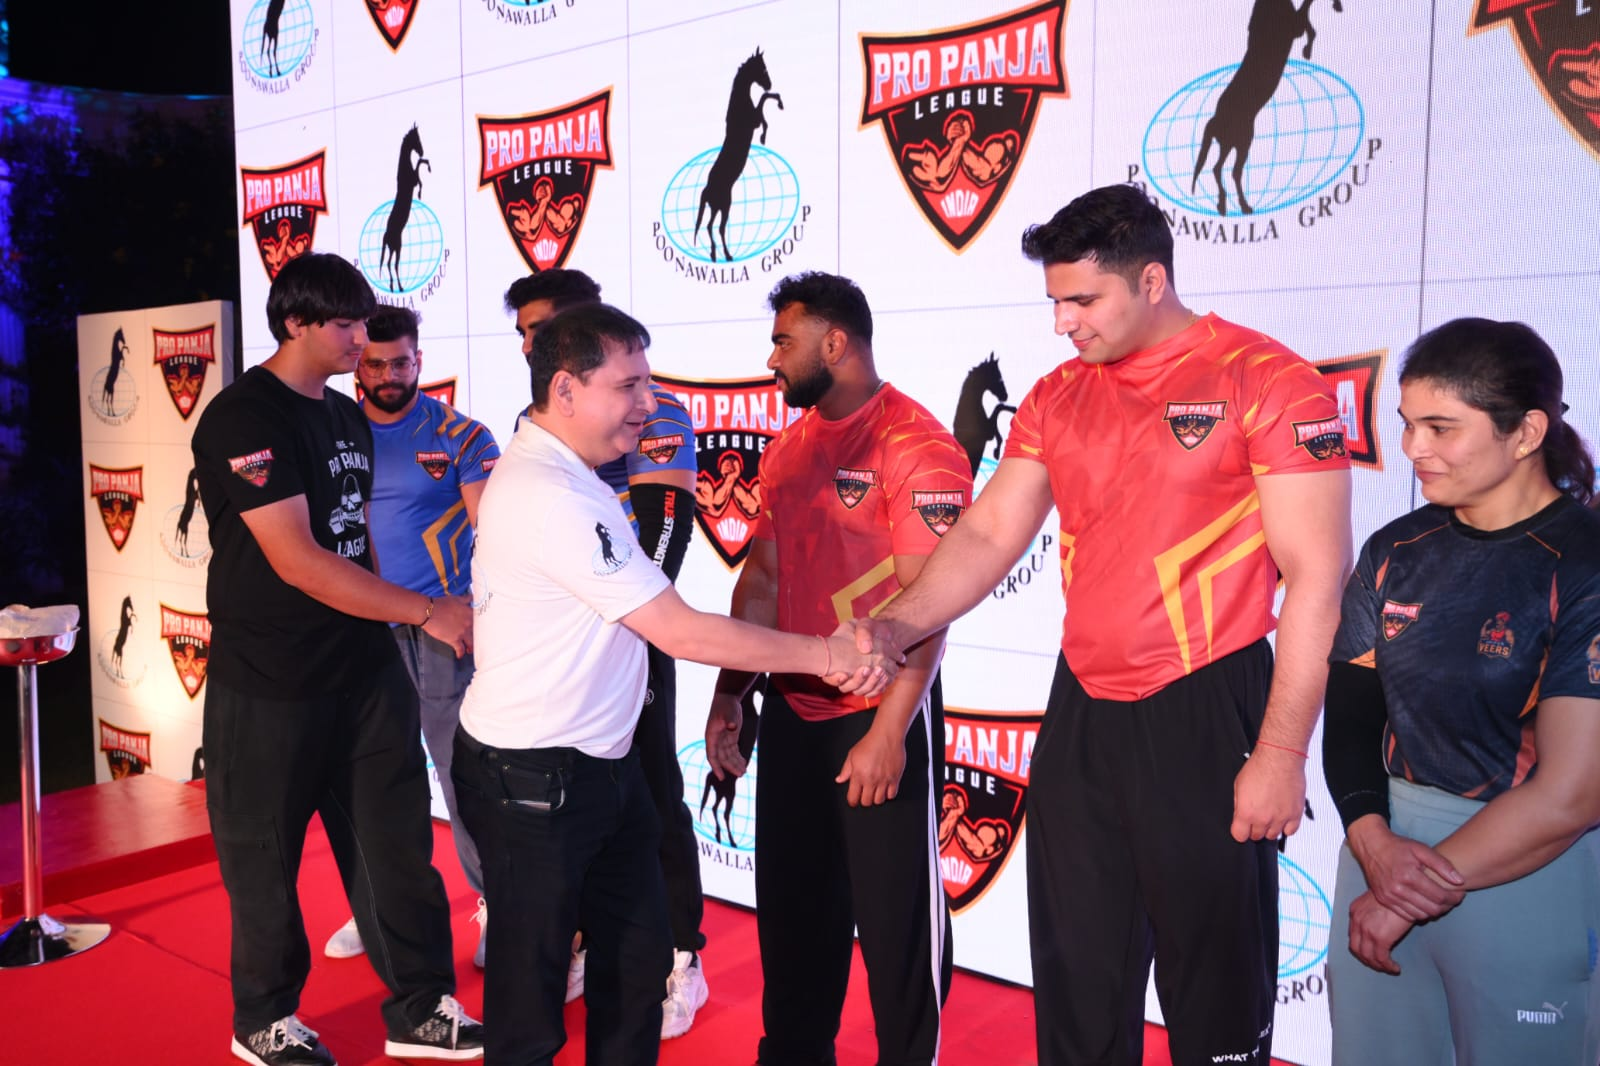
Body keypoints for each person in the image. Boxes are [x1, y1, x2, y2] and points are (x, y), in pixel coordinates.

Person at [849, 183, 1354, 1066]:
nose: (1062, 323)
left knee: (1216, 991)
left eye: (1082, 300)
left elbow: (1318, 578)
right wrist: (895, 626)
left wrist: (1280, 752)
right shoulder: (1056, 395)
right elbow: (988, 533)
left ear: (1152, 280)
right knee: (1078, 981)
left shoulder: (1267, 379)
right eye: (1055, 302)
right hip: (1082, 705)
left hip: (1207, 702)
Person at [452, 301, 898, 1066]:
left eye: (647, 383)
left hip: (600, 770)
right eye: (627, 386)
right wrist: (827, 656)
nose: (647, 404)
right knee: (529, 1015)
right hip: (530, 783)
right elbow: (679, 631)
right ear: (566, 390)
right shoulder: (550, 494)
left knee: (635, 973)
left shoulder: (571, 474)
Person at [190, 253, 484, 1066]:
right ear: (296, 322)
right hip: (271, 680)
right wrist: (428, 611)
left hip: (364, 672)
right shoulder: (243, 417)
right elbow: (299, 560)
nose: (361, 338)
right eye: (346, 324)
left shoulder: (347, 417)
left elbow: (356, 541)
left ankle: (420, 1008)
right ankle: (264, 1019)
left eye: (364, 321)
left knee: (397, 848)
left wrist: (398, 621)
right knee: (265, 860)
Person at [704, 271, 968, 1066]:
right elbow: (762, 580)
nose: (771, 358)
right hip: (794, 712)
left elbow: (931, 607)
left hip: (883, 714)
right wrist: (728, 695)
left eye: (784, 341)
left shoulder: (918, 447)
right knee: (793, 921)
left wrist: (888, 734)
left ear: (835, 343)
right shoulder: (789, 447)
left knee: (896, 932)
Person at [1322, 318, 1600, 1065]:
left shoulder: (1583, 564)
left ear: (1526, 432)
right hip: (1377, 850)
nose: (1413, 448)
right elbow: (1350, 722)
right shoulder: (1394, 548)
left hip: (1524, 864)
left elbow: (1573, 794)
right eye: (1408, 423)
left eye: (1441, 428)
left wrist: (1401, 893)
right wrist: (1373, 844)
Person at [503, 269, 710, 1037]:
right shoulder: (537, 420)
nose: (527, 343)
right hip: (569, 649)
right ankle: (595, 941)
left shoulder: (653, 411)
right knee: (585, 803)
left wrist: (626, 626)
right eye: (522, 332)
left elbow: (664, 533)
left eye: (539, 328)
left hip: (634, 634)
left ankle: (681, 957)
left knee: (653, 791)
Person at [322, 305, 500, 968]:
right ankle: (379, 906)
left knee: (462, 776)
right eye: (375, 364)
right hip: (355, 629)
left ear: (419, 360)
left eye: (401, 363)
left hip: (438, 634)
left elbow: (498, 536)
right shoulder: (332, 430)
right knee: (368, 780)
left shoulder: (460, 435)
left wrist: (476, 610)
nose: (388, 376)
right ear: (357, 363)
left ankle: (496, 902)